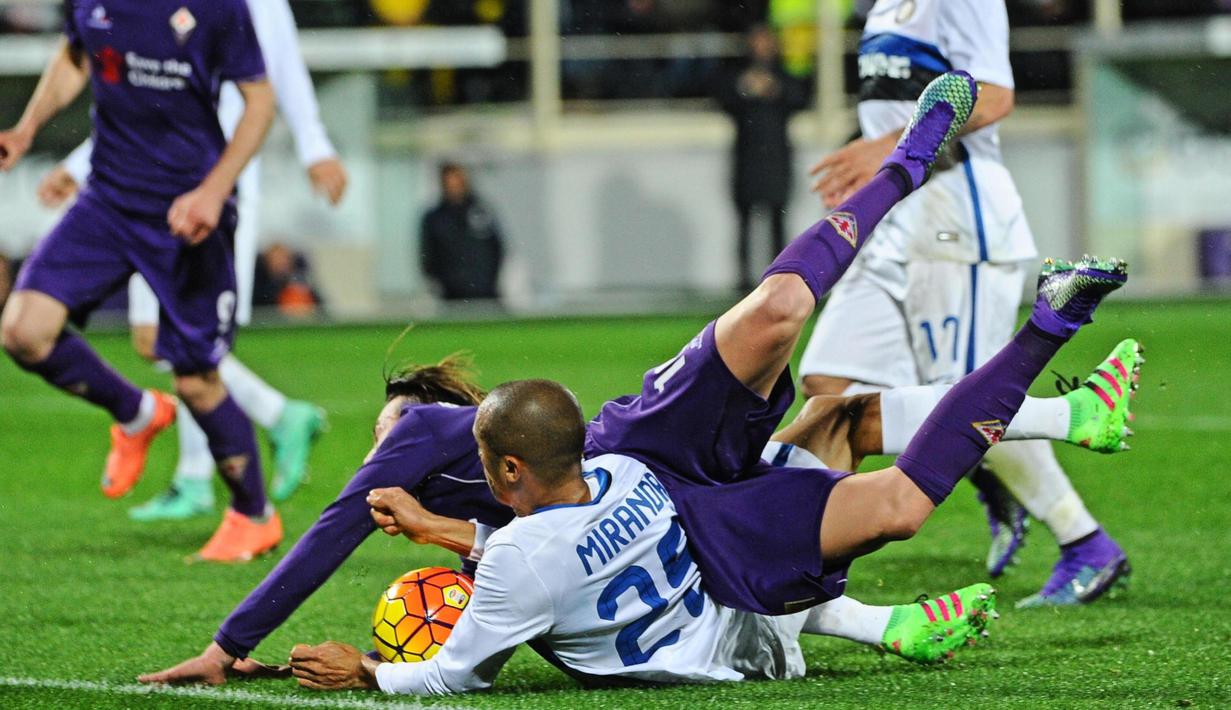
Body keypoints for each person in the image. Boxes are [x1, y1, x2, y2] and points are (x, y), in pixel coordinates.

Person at [275, 73, 1128, 694]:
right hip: (719, 567)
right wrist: (438, 529)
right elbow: (538, 559)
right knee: (860, 451)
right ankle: (1055, 340)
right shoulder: (550, 517)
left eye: (395, 431)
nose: (389, 448)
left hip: (663, 489)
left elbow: (467, 652)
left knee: (786, 326)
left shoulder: (532, 518)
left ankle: (912, 168)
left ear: (497, 456)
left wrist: (368, 667)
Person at [799, 0, 1128, 608]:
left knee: (967, 397)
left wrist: (886, 149)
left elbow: (995, 96)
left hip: (957, 223)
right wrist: (875, 154)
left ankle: (1085, 542)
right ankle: (974, 468)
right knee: (826, 386)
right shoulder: (882, 5)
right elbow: (904, 100)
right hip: (899, 223)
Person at [36, 0, 345, 522]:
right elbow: (139, 91)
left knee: (188, 344)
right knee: (158, 338)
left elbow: (280, 71)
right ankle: (251, 434)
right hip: (145, 188)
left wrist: (315, 146)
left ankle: (208, 471)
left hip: (211, 189)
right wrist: (79, 163)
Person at [0, 0, 280, 562]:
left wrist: (213, 191)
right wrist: (27, 128)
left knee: (195, 379)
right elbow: (76, 56)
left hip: (186, 209)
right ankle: (138, 413)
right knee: (23, 331)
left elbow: (260, 102)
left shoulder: (218, 7)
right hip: (107, 201)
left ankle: (254, 515)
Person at [715, 25, 809, 291]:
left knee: (777, 222)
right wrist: (744, 88)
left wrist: (774, 89)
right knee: (745, 222)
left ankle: (778, 278)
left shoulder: (783, 76)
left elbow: (800, 97)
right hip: (747, 159)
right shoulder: (737, 75)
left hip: (777, 159)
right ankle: (744, 282)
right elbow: (721, 97)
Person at [419, 162, 504, 302]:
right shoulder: (435, 218)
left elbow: (497, 248)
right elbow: (428, 255)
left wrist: (488, 280)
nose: (454, 186)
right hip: (451, 296)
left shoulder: (481, 210)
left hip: (485, 293)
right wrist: (441, 282)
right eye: (449, 182)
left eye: (457, 180)